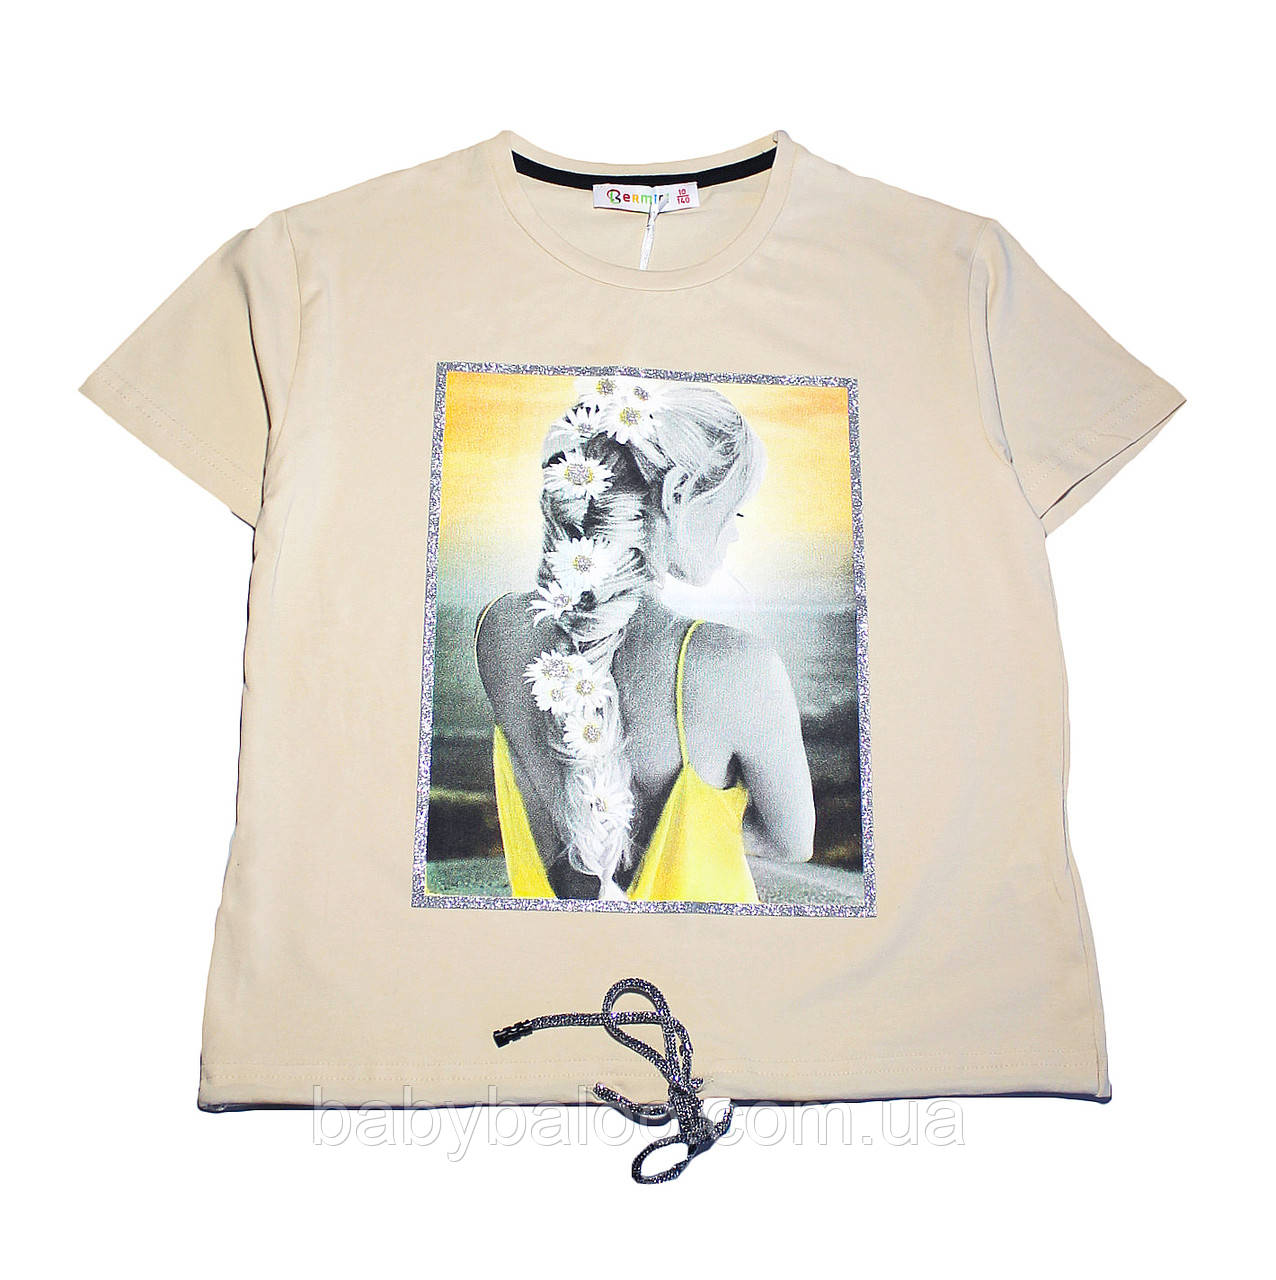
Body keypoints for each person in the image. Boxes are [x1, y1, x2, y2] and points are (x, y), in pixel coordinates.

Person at [474, 374, 815, 901]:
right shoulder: (732, 665)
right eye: (734, 511)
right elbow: (792, 843)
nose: (734, 532)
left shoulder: (498, 628)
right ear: (677, 493)